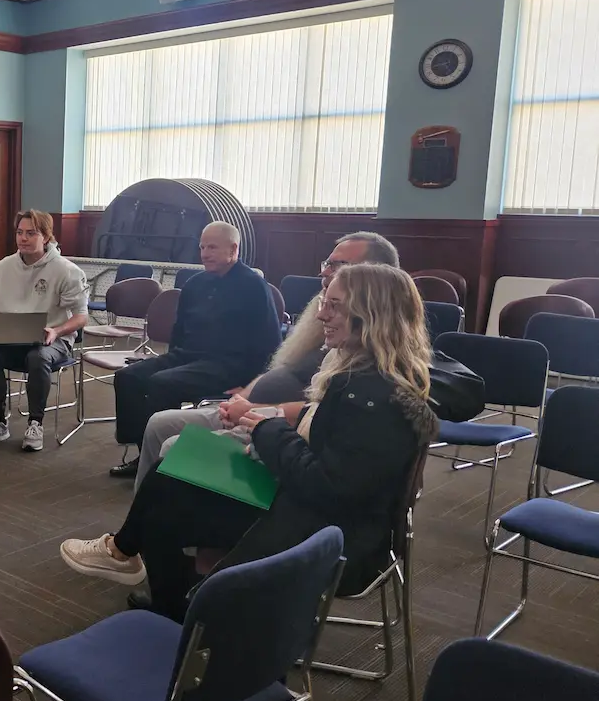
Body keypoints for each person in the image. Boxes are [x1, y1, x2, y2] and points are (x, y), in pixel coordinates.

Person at [59, 263, 436, 622]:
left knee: (166, 505)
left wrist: (266, 432)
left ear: (372, 315)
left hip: (327, 537)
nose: (323, 315)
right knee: (171, 472)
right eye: (325, 303)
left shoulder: (369, 395)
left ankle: (161, 590)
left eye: (335, 306)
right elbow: (329, 439)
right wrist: (267, 421)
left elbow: (329, 486)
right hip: (314, 511)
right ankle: (154, 580)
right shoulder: (367, 377)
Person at [134, 232, 400, 478]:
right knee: (158, 423)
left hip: (280, 431)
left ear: (373, 276)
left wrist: (253, 410)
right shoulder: (335, 329)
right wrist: (245, 394)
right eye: (326, 264)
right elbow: (280, 369)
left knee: (173, 446)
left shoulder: (372, 353)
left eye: (337, 265)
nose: (324, 273)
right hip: (254, 410)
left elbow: (319, 416)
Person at [109, 221, 280, 478]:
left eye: (212, 247)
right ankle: (143, 450)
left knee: (161, 383)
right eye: (202, 247)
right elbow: (179, 331)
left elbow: (269, 341)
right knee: (128, 377)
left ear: (233, 249)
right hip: (188, 356)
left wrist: (252, 385)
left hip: (229, 364)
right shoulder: (195, 283)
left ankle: (161, 462)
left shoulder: (253, 286)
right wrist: (170, 358)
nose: (204, 253)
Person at [0, 210, 89, 452]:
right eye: (20, 232)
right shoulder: (3, 267)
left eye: (31, 233)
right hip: (12, 338)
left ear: (47, 237)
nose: (23, 238)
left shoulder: (66, 270)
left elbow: (82, 317)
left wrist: (57, 330)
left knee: (37, 357)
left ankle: (35, 423)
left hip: (52, 339)